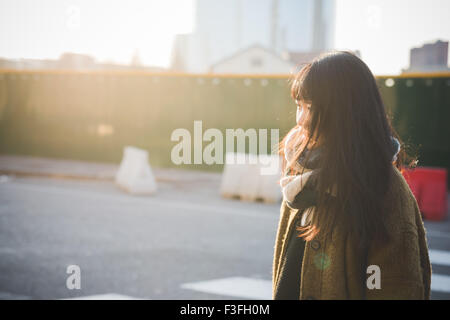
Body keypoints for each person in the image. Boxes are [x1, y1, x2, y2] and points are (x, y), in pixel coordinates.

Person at [272, 51, 432, 300]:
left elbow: (392, 286)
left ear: (344, 113)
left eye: (310, 108)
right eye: (298, 106)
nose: (301, 120)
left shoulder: (385, 189)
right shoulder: (299, 176)